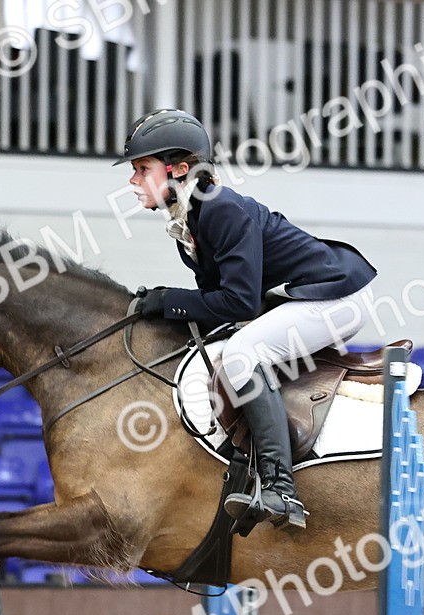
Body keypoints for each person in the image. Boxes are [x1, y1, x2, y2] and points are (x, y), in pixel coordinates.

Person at [116, 108, 377, 531]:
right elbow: (227, 299)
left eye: (141, 169)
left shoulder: (218, 209)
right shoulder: (191, 219)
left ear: (180, 169)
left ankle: (281, 487)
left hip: (336, 296)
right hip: (299, 297)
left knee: (241, 354)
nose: (132, 182)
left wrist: (169, 301)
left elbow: (236, 303)